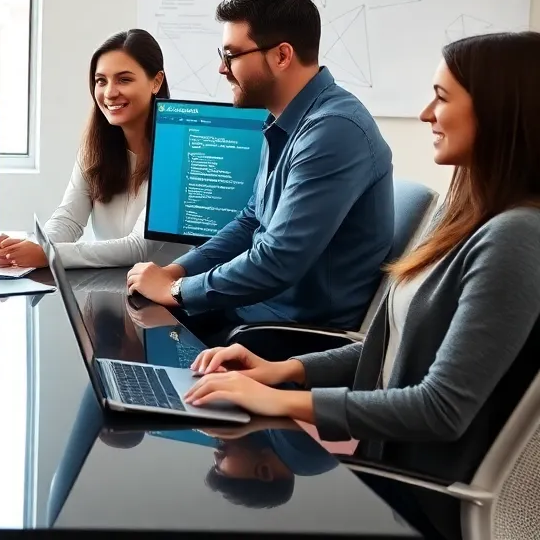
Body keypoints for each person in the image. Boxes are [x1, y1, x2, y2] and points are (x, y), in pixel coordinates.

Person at [184, 32, 540, 539]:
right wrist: (281, 371)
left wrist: (281, 401)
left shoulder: (516, 237)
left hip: (414, 503)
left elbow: (440, 409)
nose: (425, 114)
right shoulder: (466, 220)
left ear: (499, 112)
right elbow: (389, 346)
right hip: (381, 476)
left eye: (441, 98)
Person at [128, 0, 394, 343]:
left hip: (289, 334)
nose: (222, 69)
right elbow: (251, 220)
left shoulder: (334, 130)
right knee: (127, 326)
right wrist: (177, 271)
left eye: (231, 55)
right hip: (251, 312)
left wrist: (177, 291)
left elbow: (278, 260)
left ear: (282, 56)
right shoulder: (285, 120)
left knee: (135, 341)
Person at [0, 29, 191, 269]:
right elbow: (69, 219)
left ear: (156, 82)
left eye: (124, 80)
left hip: (162, 290)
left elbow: (138, 248)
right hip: (107, 286)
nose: (109, 93)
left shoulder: (181, 155)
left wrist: (50, 254)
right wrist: (24, 249)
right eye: (101, 81)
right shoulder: (96, 148)